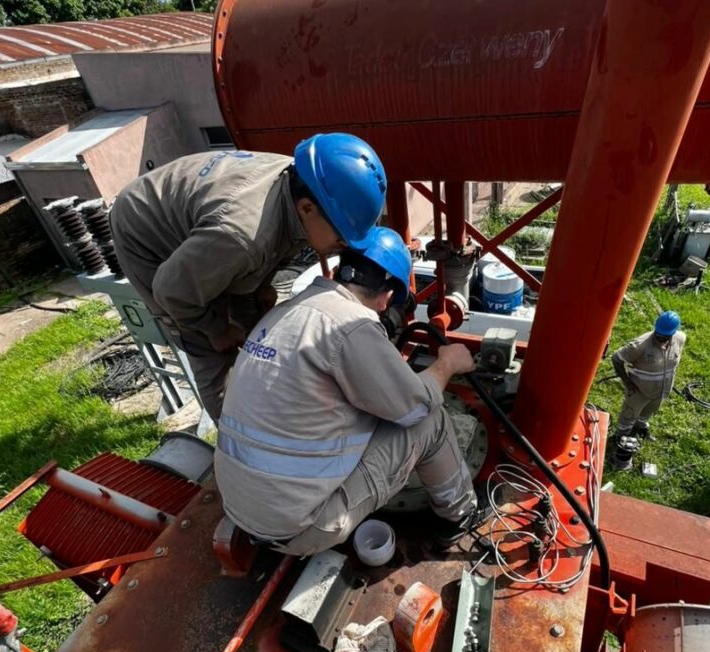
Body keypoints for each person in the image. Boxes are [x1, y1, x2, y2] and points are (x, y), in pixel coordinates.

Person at [214, 227, 487, 556]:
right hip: (301, 527)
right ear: (386, 296)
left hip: (241, 507)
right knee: (430, 421)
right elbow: (416, 406)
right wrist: (447, 365)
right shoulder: (352, 325)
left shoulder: (287, 311)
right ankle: (459, 517)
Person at [110, 133, 387, 421]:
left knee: (258, 323)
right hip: (147, 232)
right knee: (211, 351)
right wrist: (215, 329)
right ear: (307, 208)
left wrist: (261, 284)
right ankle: (240, 440)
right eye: (342, 238)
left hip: (212, 227)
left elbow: (271, 242)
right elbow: (170, 292)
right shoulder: (242, 236)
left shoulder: (306, 184)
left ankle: (272, 399)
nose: (342, 247)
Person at [611, 310, 686, 439]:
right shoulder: (639, 346)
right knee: (630, 414)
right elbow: (616, 358)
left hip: (661, 389)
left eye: (665, 336)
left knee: (650, 410)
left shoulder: (680, 338)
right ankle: (621, 436)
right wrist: (627, 382)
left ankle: (640, 426)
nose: (660, 338)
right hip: (639, 389)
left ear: (674, 332)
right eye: (658, 334)